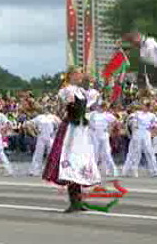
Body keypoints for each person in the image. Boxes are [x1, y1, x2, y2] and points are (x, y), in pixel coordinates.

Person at [42, 66, 101, 213]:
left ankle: (78, 201)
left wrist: (89, 82)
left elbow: (93, 96)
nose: (81, 75)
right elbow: (71, 104)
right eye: (79, 73)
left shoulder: (81, 91)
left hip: (80, 129)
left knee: (80, 161)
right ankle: (73, 201)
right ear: (72, 75)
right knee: (70, 161)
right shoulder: (67, 89)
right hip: (71, 128)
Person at [122, 100, 157, 177]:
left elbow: (154, 125)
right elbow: (128, 124)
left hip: (146, 133)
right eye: (146, 105)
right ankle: (129, 170)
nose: (147, 107)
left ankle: (154, 171)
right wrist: (131, 134)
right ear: (142, 106)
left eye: (148, 106)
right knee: (134, 152)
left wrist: (153, 130)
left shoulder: (152, 115)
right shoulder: (136, 114)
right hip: (137, 133)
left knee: (149, 152)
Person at [27, 105, 61, 176]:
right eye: (46, 108)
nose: (47, 110)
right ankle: (34, 171)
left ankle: (52, 171)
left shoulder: (53, 117)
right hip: (41, 137)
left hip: (50, 137)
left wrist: (56, 132)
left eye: (49, 108)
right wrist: (35, 131)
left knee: (52, 154)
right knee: (38, 154)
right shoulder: (40, 117)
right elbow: (29, 123)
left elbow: (61, 125)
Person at [89, 102, 119, 177]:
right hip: (95, 134)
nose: (102, 108)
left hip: (104, 134)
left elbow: (116, 122)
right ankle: (93, 171)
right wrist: (91, 129)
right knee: (95, 153)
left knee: (107, 152)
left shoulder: (107, 115)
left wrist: (110, 128)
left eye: (104, 107)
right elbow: (88, 122)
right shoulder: (93, 114)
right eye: (101, 106)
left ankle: (113, 170)